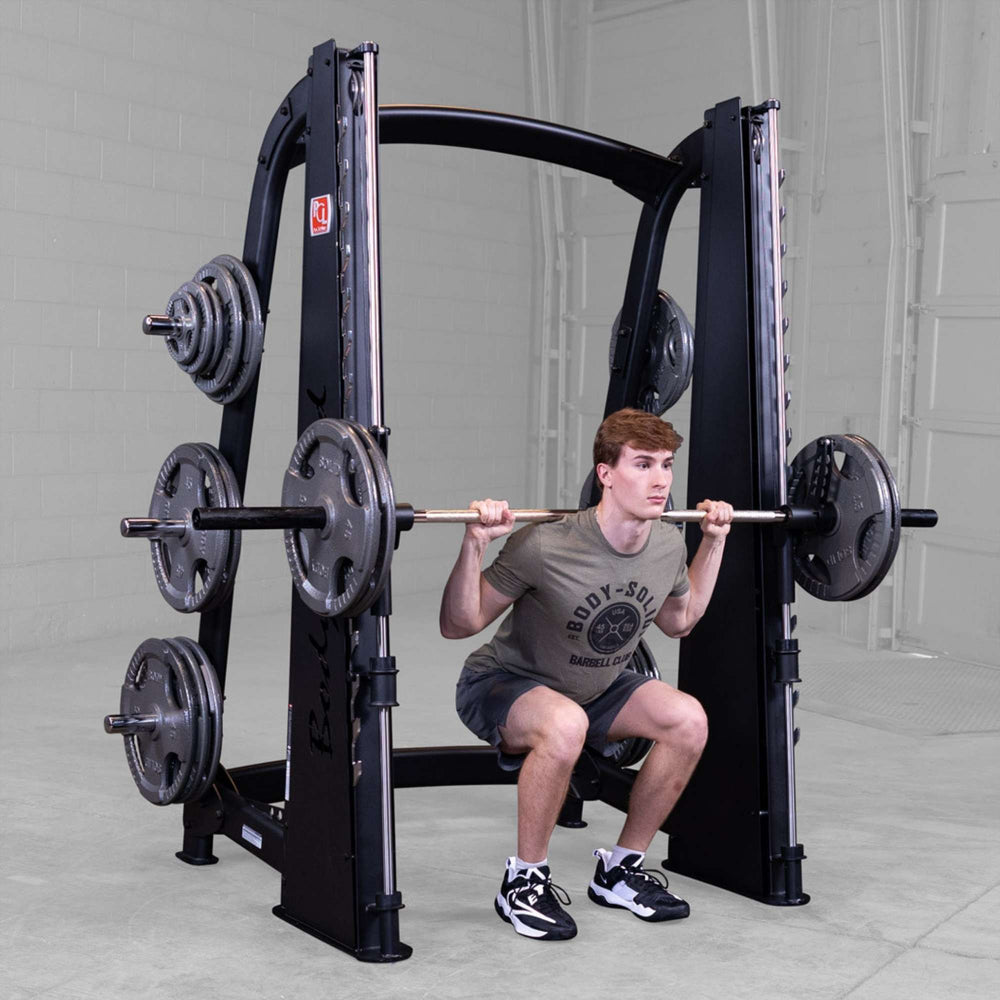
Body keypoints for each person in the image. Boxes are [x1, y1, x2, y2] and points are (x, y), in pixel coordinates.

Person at [439, 407, 734, 941]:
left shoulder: (668, 542)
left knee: (688, 720)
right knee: (566, 724)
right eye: (643, 464)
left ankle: (620, 869)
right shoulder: (545, 544)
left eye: (666, 465)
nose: (661, 480)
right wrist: (473, 543)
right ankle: (523, 883)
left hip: (596, 687)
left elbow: (680, 622)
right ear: (606, 473)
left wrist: (713, 542)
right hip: (504, 681)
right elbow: (460, 624)